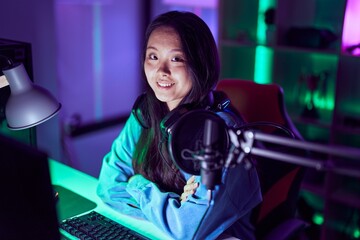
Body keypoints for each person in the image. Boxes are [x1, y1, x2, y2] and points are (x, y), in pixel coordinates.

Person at [97, 11, 262, 240]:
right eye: (153, 57)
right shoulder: (146, 112)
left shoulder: (219, 134)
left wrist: (135, 183)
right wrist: (170, 208)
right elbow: (107, 187)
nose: (161, 71)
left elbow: (186, 230)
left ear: (199, 64)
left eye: (176, 59)